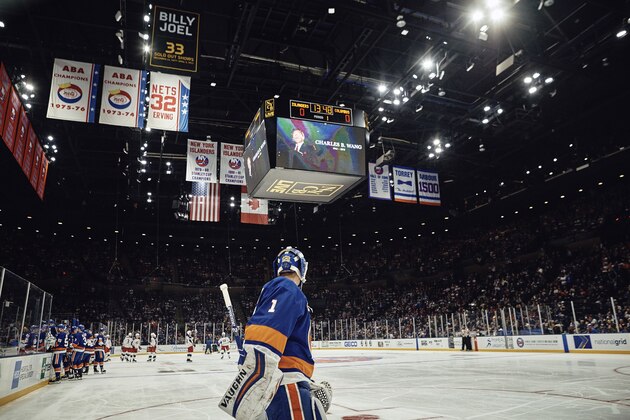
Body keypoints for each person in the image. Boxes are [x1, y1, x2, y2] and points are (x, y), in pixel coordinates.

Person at [218, 246, 329, 419]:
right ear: (302, 268)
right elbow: (264, 339)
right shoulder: (287, 287)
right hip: (287, 388)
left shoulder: (281, 289)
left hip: (287, 385)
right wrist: (253, 366)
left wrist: (305, 382)